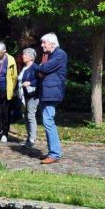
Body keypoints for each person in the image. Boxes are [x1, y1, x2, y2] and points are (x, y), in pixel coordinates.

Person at [36, 33, 67, 164]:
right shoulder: (50, 55)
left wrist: (39, 67)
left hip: (51, 93)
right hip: (47, 92)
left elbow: (44, 68)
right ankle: (52, 152)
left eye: (44, 43)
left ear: (52, 43)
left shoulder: (60, 54)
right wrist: (40, 69)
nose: (42, 45)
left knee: (48, 121)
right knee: (47, 121)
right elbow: (40, 72)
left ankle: (55, 153)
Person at [0, 42, 18, 143]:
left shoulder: (11, 59)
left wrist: (12, 89)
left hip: (6, 89)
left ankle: (5, 133)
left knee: (6, 112)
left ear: (4, 52)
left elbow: (14, 76)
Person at [18, 48, 39, 148]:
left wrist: (30, 83)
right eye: (23, 54)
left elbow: (40, 80)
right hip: (24, 95)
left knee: (31, 115)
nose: (23, 56)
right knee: (25, 116)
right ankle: (28, 138)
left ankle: (32, 139)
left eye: (25, 54)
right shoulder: (24, 67)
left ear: (31, 57)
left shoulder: (35, 67)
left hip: (33, 95)